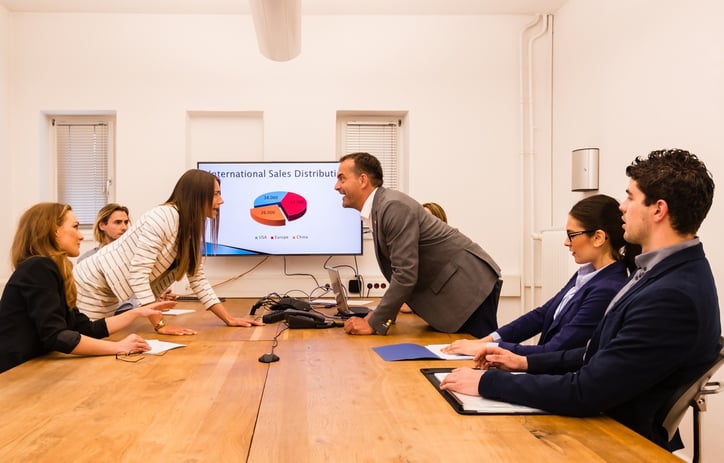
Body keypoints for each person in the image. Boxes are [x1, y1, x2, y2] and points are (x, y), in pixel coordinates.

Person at [440, 149, 721, 452]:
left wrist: (486, 383)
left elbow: (587, 391)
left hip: (616, 441)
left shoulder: (672, 295)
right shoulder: (659, 271)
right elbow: (596, 354)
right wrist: (524, 362)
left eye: (630, 197)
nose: (622, 208)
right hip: (602, 422)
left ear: (658, 210)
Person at [442, 194, 639, 356]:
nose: (566, 242)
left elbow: (555, 350)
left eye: (571, 235)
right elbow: (543, 314)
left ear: (598, 237)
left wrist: (488, 349)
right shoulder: (588, 274)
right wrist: (487, 340)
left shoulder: (607, 288)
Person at [74, 169, 263, 335]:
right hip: (90, 285)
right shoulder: (162, 217)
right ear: (196, 195)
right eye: (215, 194)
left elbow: (197, 279)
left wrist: (229, 319)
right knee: (83, 339)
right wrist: (161, 326)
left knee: (94, 339)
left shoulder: (189, 226)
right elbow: (138, 275)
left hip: (107, 291)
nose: (221, 201)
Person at [335, 152, 502, 337]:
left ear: (363, 180)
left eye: (342, 179)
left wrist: (374, 323)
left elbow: (405, 273)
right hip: (459, 287)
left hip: (470, 287)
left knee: (482, 356)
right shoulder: (381, 208)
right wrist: (380, 315)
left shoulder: (392, 206)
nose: (337, 186)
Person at [0, 203, 174, 373]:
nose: (81, 236)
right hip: (15, 372)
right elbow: (57, 336)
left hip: (34, 366)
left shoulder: (52, 269)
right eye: (75, 227)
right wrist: (118, 347)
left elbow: (84, 328)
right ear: (54, 232)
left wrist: (137, 313)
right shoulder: (38, 268)